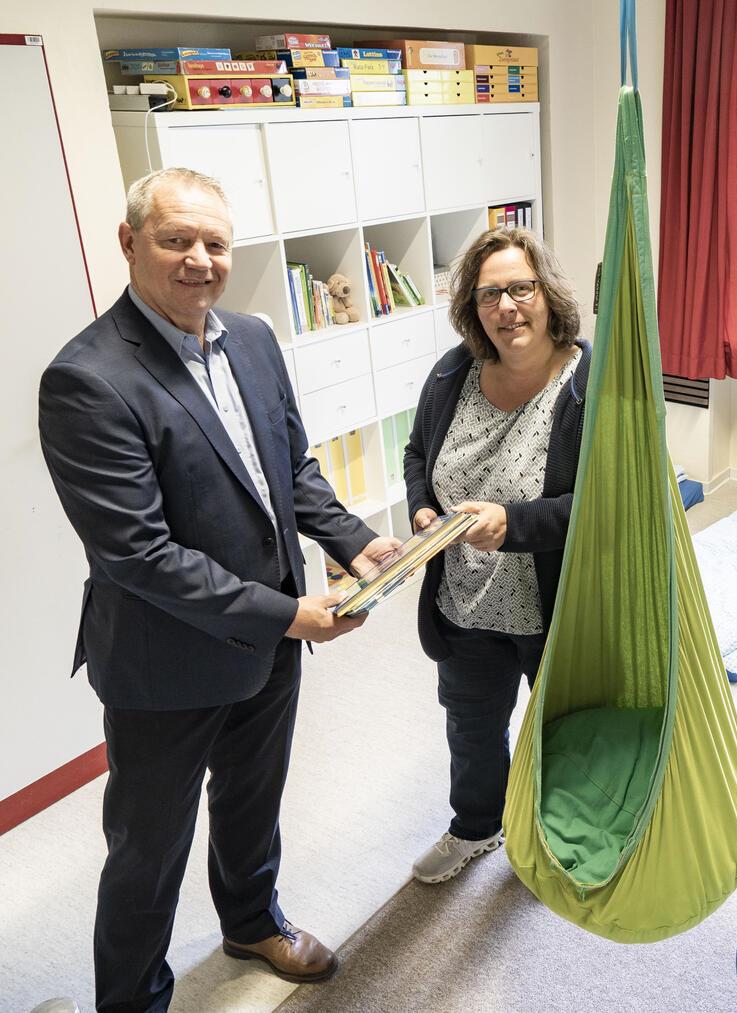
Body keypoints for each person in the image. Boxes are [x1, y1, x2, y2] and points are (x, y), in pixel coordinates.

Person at [37, 167, 401, 1013]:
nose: (200, 260)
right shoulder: (87, 378)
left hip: (270, 638)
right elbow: (139, 554)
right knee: (149, 845)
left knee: (252, 795)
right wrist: (290, 615)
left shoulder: (254, 339)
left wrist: (353, 539)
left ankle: (251, 919)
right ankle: (132, 999)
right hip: (164, 660)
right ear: (130, 243)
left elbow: (290, 468)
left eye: (215, 243)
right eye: (177, 240)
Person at [403, 227, 588, 883]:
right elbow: (417, 454)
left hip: (552, 605)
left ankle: (560, 839)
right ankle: (477, 825)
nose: (506, 307)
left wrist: (513, 523)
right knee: (471, 726)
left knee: (561, 733)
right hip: (463, 599)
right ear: (472, 307)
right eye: (489, 295)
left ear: (548, 293)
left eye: (520, 288)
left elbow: (608, 504)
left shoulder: (589, 384)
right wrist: (423, 507)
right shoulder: (452, 373)